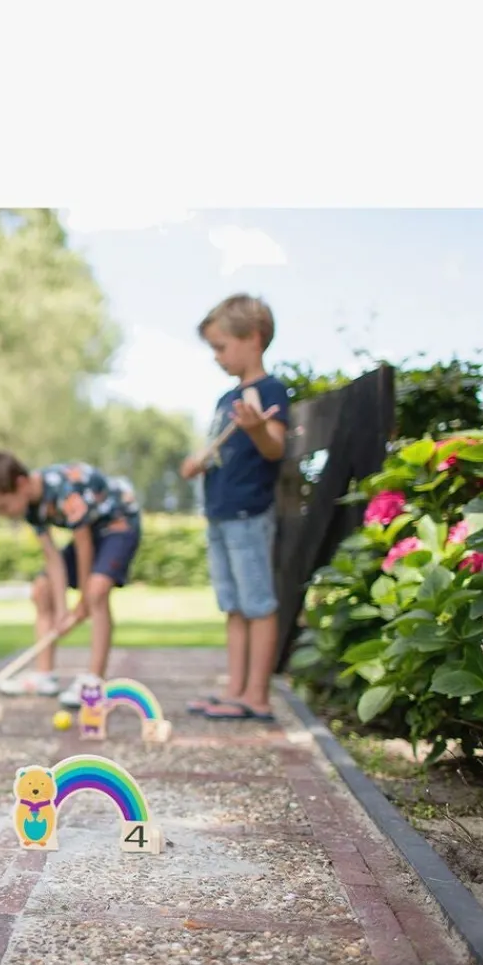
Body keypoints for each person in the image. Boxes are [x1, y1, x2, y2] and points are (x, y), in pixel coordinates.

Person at [179, 294, 289, 721]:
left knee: (257, 604)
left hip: (248, 514)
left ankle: (257, 696)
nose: (217, 357)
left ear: (254, 338)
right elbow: (218, 451)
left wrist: (257, 429)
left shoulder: (269, 390)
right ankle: (236, 689)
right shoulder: (227, 398)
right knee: (234, 605)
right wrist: (199, 462)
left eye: (221, 347)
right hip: (221, 513)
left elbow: (274, 448)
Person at [0, 453, 141, 705]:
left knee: (96, 591)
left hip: (119, 523)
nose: (3, 514)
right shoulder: (31, 507)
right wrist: (62, 611)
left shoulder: (65, 490)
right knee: (42, 589)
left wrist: (82, 602)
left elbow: (83, 546)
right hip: (91, 530)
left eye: (2, 506)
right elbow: (53, 559)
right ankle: (44, 676)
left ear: (21, 484)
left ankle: (93, 681)